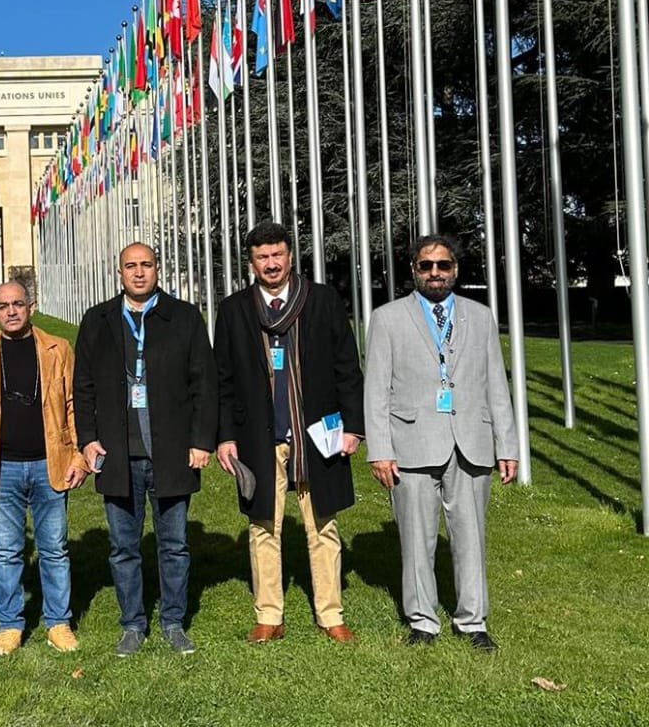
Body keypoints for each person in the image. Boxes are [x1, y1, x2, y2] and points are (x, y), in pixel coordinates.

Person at [363, 234, 519, 651]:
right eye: (426, 266)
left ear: (456, 270)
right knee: (416, 540)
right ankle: (422, 621)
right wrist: (380, 450)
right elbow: (375, 391)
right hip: (410, 443)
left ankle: (472, 621)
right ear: (414, 270)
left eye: (443, 265)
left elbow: (496, 385)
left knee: (471, 537)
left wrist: (507, 445)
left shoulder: (480, 317)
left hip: (471, 441)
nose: (435, 273)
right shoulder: (387, 318)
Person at [214, 221, 365, 645]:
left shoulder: (322, 301)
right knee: (263, 525)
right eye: (262, 257)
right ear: (251, 263)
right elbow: (222, 379)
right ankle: (269, 615)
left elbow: (347, 367)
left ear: (290, 256)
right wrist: (225, 436)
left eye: (277, 254)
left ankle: (330, 615)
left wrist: (353, 427)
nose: (271, 263)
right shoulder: (234, 310)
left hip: (317, 434)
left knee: (323, 525)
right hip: (257, 438)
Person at [73, 242, 217, 657]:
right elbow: (83, 387)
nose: (139, 273)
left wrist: (200, 441)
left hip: (171, 452)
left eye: (146, 265)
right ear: (119, 272)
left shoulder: (184, 317)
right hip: (118, 454)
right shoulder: (98, 320)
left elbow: (204, 384)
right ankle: (132, 625)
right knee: (123, 548)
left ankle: (173, 622)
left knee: (174, 545)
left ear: (158, 269)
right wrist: (88, 439)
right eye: (130, 266)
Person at [0, 280, 88, 657]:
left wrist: (79, 457)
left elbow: (76, 406)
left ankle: (58, 622)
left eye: (17, 304)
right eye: (3, 306)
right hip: (1, 467)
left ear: (31, 307)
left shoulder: (57, 348)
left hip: (51, 463)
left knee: (54, 549)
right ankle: (10, 625)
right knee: (7, 552)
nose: (11, 311)